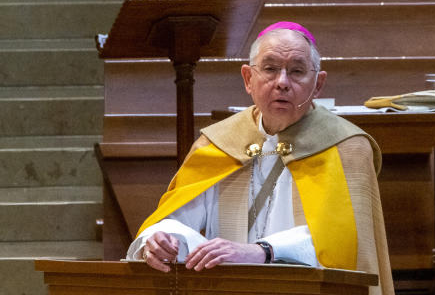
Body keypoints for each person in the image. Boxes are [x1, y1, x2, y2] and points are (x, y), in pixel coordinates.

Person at [127, 21, 394, 295]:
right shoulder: (219, 142)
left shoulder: (346, 148)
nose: (282, 82)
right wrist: (162, 240)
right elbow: (178, 221)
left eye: (297, 71)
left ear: (318, 84)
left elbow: (346, 246)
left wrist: (262, 252)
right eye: (269, 69)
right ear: (248, 79)